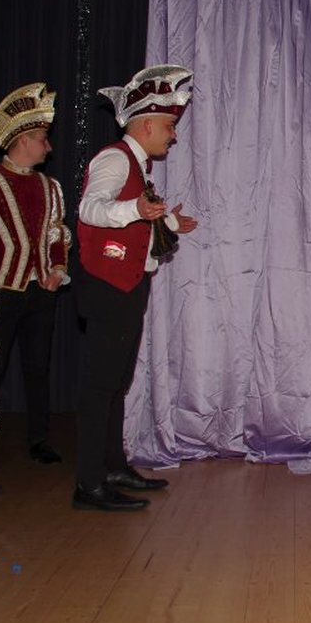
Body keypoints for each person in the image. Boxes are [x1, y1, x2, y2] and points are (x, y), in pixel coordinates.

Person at [72, 65, 199, 511]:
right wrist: (138, 210)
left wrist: (167, 222)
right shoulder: (114, 159)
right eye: (169, 126)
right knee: (100, 386)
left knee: (115, 383)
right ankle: (89, 484)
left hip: (127, 285)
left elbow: (138, 217)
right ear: (146, 125)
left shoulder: (137, 165)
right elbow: (91, 209)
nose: (173, 136)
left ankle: (112, 466)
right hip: (108, 286)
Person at [0, 83, 71, 465]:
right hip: (3, 289)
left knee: (38, 366)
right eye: (43, 139)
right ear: (23, 140)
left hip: (41, 289)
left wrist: (57, 270)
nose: (49, 147)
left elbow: (57, 232)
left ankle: (39, 438)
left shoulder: (50, 186)